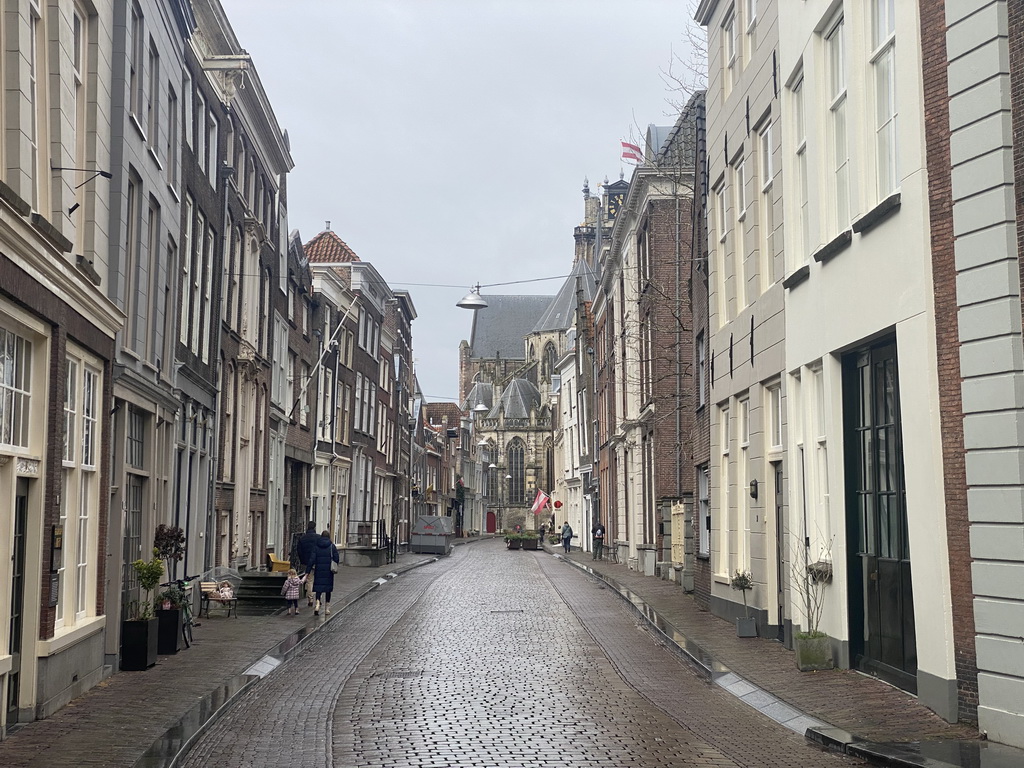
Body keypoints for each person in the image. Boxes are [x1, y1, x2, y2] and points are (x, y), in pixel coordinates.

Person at [305, 530, 340, 616]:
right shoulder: (332, 546)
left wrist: (307, 571)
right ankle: (327, 608)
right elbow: (337, 558)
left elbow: (311, 559)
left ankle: (317, 603)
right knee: (328, 589)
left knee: (318, 588)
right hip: (328, 571)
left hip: (319, 570)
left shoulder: (316, 547)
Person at [297, 521, 320, 607]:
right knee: (317, 580)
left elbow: (299, 551)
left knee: (309, 580)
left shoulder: (302, 538)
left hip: (306, 562)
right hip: (317, 562)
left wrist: (302, 560)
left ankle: (310, 599)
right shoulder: (318, 538)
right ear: (314, 527)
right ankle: (318, 598)